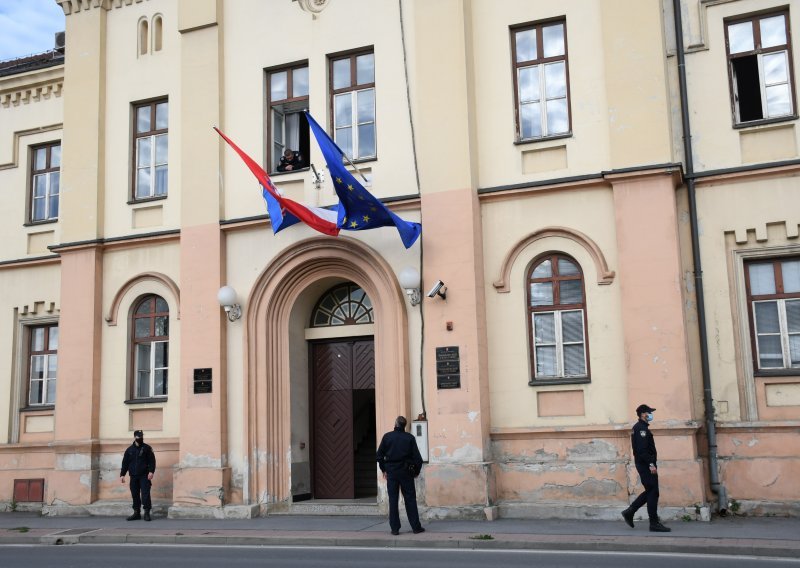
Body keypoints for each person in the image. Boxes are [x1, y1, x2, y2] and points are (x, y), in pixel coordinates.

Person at [622, 404, 671, 532]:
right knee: (653, 492)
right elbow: (642, 450)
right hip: (645, 464)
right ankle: (653, 523)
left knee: (651, 491)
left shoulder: (641, 427)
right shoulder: (640, 429)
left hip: (644, 463)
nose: (651, 414)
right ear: (643, 414)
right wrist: (651, 464)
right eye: (649, 412)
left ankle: (630, 512)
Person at [376, 416, 425, 535]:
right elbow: (418, 459)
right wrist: (416, 472)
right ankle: (416, 527)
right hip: (406, 472)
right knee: (410, 499)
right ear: (404, 425)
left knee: (393, 500)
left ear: (395, 424)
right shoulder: (409, 438)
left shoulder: (387, 437)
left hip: (392, 472)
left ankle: (395, 529)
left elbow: (379, 456)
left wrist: (384, 469)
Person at [120, 430, 156, 521]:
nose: (140, 438)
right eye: (138, 437)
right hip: (133, 476)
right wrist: (122, 474)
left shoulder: (147, 448)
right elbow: (125, 463)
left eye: (141, 436)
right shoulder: (129, 450)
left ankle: (147, 513)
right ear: (134, 437)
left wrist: (151, 471)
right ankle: (136, 513)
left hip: (144, 476)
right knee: (135, 495)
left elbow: (152, 461)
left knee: (145, 494)